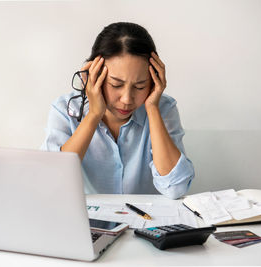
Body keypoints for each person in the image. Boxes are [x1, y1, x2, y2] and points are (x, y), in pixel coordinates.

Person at [41, 22, 194, 199]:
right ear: (94, 76)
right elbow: (51, 182)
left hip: (145, 224)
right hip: (86, 224)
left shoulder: (163, 109)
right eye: (116, 84)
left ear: (153, 81)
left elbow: (176, 188)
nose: (127, 99)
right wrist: (93, 115)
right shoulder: (65, 110)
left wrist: (152, 109)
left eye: (140, 86)